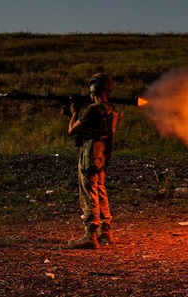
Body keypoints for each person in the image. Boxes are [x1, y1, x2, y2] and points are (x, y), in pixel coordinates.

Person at [65, 73, 122, 249]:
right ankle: (105, 232)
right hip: (101, 154)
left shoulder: (93, 109)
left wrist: (73, 114)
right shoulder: (110, 109)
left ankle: (90, 235)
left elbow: (72, 131)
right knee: (100, 190)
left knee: (89, 192)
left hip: (90, 153)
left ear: (94, 88)